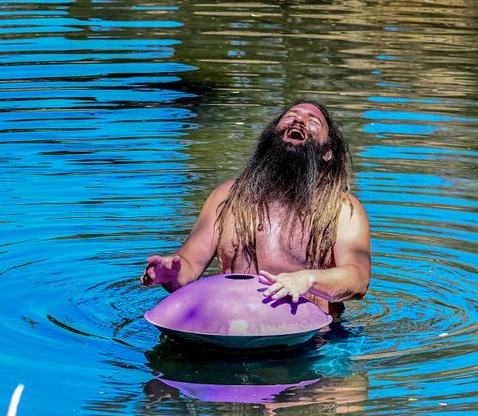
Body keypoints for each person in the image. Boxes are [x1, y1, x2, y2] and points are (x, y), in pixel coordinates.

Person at [141, 102, 371, 314]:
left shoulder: (341, 209)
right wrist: (169, 274)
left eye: (313, 121)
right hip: (231, 328)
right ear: (270, 135)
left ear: (326, 153)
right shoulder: (228, 197)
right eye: (290, 115)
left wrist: (308, 279)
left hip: (314, 341)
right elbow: (189, 267)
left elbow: (358, 278)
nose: (298, 120)